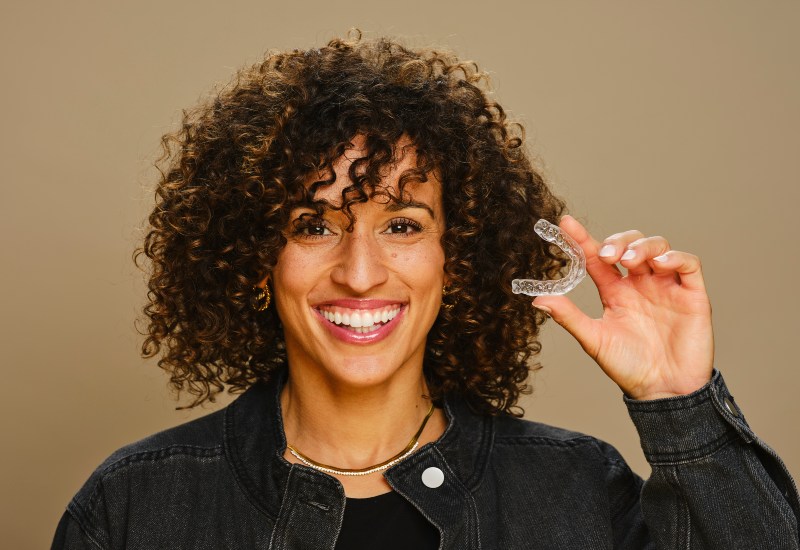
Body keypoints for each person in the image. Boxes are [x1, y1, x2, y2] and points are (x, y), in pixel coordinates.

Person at [52, 33, 799, 549]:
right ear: (255, 254)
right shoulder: (135, 507)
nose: (360, 271)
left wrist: (682, 407)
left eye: (403, 226)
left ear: (456, 254)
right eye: (314, 225)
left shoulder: (577, 491)